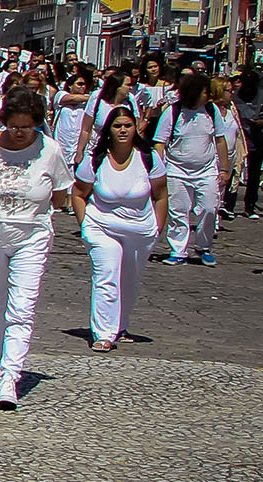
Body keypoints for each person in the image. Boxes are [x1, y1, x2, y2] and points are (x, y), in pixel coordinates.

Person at [0, 87, 75, 410]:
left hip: (31, 235)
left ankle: (12, 374)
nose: (19, 133)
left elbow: (59, 195)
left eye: (27, 127)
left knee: (22, 305)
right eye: (14, 126)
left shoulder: (51, 151)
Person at [72, 104, 165, 353]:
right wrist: (85, 226)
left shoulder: (149, 158)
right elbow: (79, 193)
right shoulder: (96, 159)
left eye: (127, 125)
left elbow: (161, 195)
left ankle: (120, 326)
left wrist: (157, 228)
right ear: (109, 130)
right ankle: (103, 333)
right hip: (101, 226)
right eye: (117, 126)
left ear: (136, 128)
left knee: (130, 281)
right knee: (107, 274)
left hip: (139, 229)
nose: (123, 130)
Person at [150, 67, 231, 266]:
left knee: (209, 208)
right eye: (205, 92)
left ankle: (204, 246)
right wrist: (159, 170)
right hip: (177, 170)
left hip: (206, 170)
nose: (209, 96)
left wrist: (224, 169)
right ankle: (178, 249)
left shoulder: (212, 112)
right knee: (179, 210)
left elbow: (220, 140)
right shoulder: (173, 112)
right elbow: (159, 142)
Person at [236, 69, 263, 220]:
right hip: (239, 137)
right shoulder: (236, 95)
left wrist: (259, 122)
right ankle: (227, 204)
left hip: (256, 138)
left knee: (253, 174)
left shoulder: (260, 94)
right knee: (234, 171)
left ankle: (250, 205)